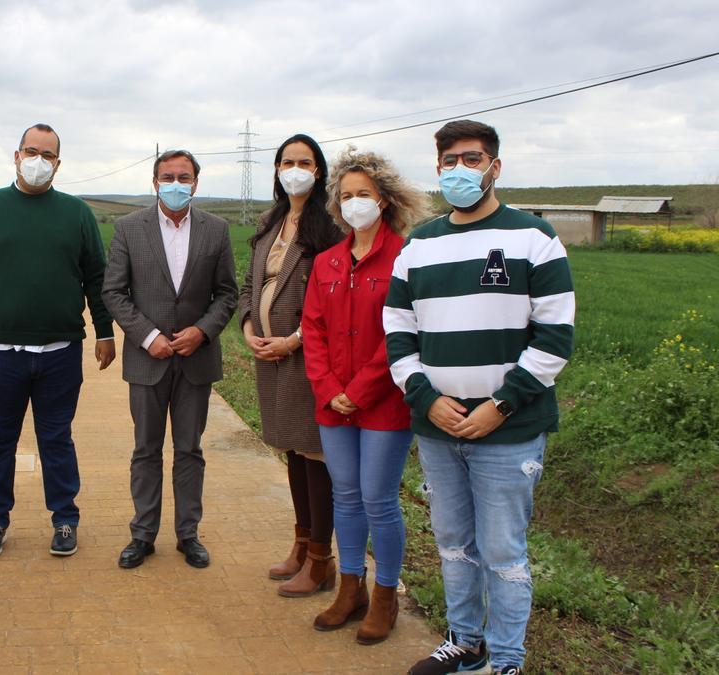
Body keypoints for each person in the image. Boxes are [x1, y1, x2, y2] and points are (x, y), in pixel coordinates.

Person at [386, 120, 574, 675]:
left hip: (508, 430)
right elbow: (398, 330)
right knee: (451, 542)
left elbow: (555, 336)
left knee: (503, 552)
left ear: (495, 167)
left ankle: (507, 660)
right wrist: (424, 398)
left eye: (473, 159)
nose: (460, 170)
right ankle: (465, 640)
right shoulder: (419, 245)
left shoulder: (534, 237)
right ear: (437, 166)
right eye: (449, 161)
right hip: (439, 428)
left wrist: (502, 405)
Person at [0, 123, 116, 559]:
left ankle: (64, 520)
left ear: (58, 163)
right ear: (16, 155)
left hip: (59, 351)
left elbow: (96, 278)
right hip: (1, 351)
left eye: (48, 154)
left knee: (56, 439)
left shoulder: (76, 214)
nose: (39, 160)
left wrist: (103, 331)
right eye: (31, 151)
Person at [304, 146, 432, 643]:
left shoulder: (405, 256)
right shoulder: (328, 262)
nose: (355, 202)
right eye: (347, 195)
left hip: (383, 401)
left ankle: (385, 596)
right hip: (332, 403)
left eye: (365, 194)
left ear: (385, 200)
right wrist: (329, 388)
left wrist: (358, 390)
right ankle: (350, 587)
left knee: (379, 500)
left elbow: (403, 333)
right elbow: (312, 328)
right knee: (346, 496)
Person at [102, 149, 238, 570]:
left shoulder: (216, 230)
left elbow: (227, 293)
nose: (175, 184)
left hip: (195, 359)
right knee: (146, 449)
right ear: (154, 181)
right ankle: (142, 535)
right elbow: (114, 292)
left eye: (183, 176)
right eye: (167, 176)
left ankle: (188, 534)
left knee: (189, 450)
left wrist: (202, 331)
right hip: (148, 361)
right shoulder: (129, 228)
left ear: (196, 183)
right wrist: (148, 336)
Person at [236, 134, 343, 597]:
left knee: (315, 452)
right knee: (292, 451)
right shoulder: (270, 222)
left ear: (318, 171)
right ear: (277, 169)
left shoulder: (329, 226)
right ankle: (301, 545)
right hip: (269, 356)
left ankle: (322, 558)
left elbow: (333, 297)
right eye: (286, 161)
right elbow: (249, 283)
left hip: (306, 355)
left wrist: (294, 339)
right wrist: (247, 328)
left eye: (304, 162)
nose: (294, 169)